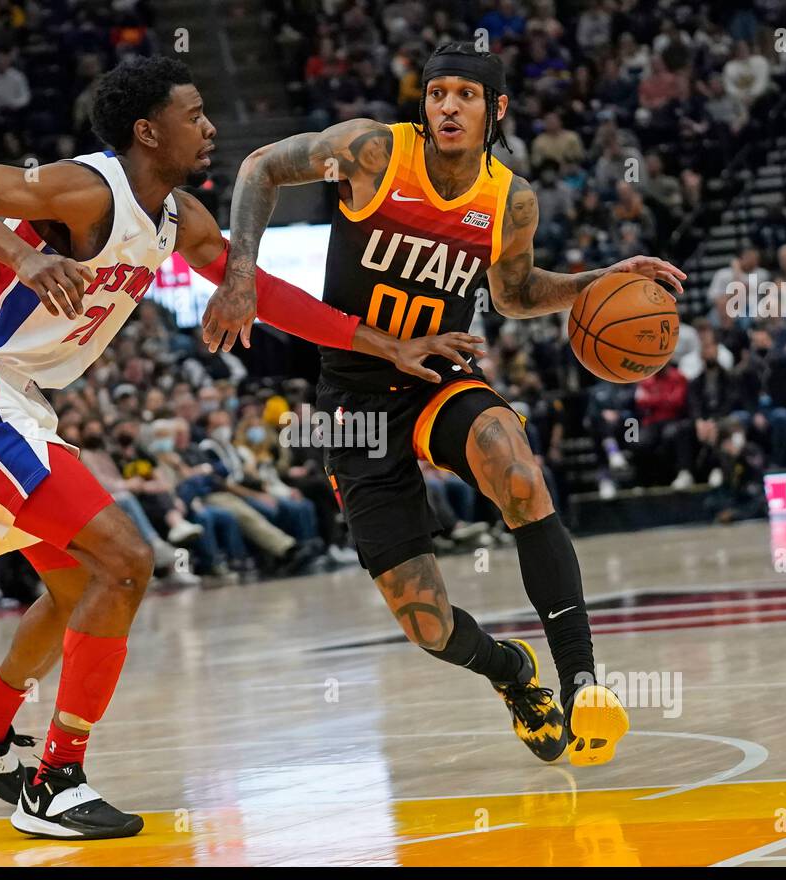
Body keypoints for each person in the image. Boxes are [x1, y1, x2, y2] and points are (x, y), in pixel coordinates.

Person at [0, 55, 481, 839]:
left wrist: (386, 347)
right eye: (194, 114)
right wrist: (26, 256)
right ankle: (55, 780)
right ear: (148, 131)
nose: (210, 128)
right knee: (128, 562)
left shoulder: (180, 218)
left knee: (79, 590)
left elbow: (262, 293)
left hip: (20, 402)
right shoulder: (86, 187)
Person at [202, 42, 686, 767]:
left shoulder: (508, 198)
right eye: (437, 94)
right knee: (425, 622)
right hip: (356, 398)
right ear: (423, 105)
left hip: (437, 378)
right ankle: (512, 674)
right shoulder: (371, 152)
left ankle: (583, 682)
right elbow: (259, 167)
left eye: (465, 94)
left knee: (517, 468)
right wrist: (241, 274)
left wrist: (596, 281)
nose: (448, 106)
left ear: (496, 110)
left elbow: (515, 294)